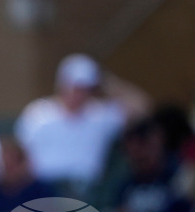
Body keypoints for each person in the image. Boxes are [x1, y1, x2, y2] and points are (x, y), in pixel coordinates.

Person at [14, 54, 149, 194]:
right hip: (43, 190)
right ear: (62, 84)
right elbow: (22, 156)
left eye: (86, 88)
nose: (79, 94)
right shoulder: (37, 113)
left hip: (86, 191)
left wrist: (107, 83)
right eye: (75, 87)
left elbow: (143, 107)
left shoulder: (101, 114)